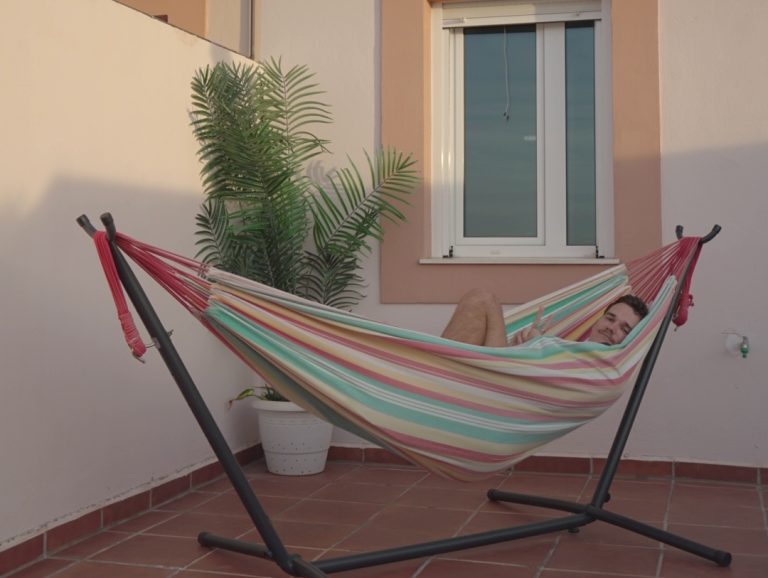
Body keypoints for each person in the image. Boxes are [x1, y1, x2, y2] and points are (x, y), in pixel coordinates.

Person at [441, 289, 648, 347]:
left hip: (503, 386)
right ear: (599, 320)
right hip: (505, 370)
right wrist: (524, 348)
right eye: (610, 318)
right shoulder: (577, 348)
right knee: (482, 304)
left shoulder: (602, 365)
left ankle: (434, 376)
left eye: (625, 329)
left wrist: (536, 345)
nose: (612, 327)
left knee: (482, 300)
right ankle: (433, 376)